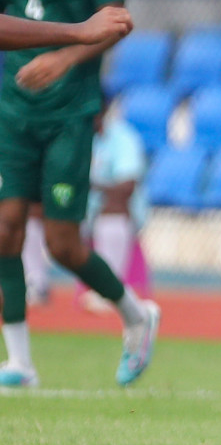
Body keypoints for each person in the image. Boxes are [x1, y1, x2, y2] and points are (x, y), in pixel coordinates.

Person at [0, 0, 157, 390]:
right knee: (4, 230)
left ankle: (137, 316)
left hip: (72, 112)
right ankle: (19, 361)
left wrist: (64, 58)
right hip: (11, 110)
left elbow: (113, 21)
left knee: (65, 243)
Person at [83, 103, 152, 311]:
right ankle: (35, 284)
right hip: (81, 209)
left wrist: (91, 185)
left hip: (122, 214)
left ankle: (110, 289)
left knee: (113, 202)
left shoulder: (123, 138)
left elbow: (128, 186)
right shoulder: (79, 137)